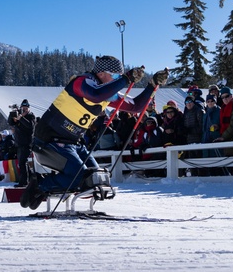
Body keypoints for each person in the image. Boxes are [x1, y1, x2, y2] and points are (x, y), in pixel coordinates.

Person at [21, 56, 167, 209]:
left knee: (96, 179)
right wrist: (126, 79)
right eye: (116, 76)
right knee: (80, 178)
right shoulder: (81, 82)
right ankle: (40, 184)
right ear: (102, 73)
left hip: (73, 143)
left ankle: (50, 187)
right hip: (49, 141)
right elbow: (95, 95)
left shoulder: (107, 93)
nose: (118, 80)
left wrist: (152, 85)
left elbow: (136, 106)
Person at [8, 99, 36, 187]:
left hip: (26, 143)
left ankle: (24, 182)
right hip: (19, 143)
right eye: (23, 108)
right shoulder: (19, 116)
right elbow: (11, 122)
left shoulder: (31, 116)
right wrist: (13, 114)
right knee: (22, 163)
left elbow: (30, 127)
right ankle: (29, 181)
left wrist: (22, 118)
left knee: (23, 163)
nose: (24, 110)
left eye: (26, 108)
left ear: (28, 108)